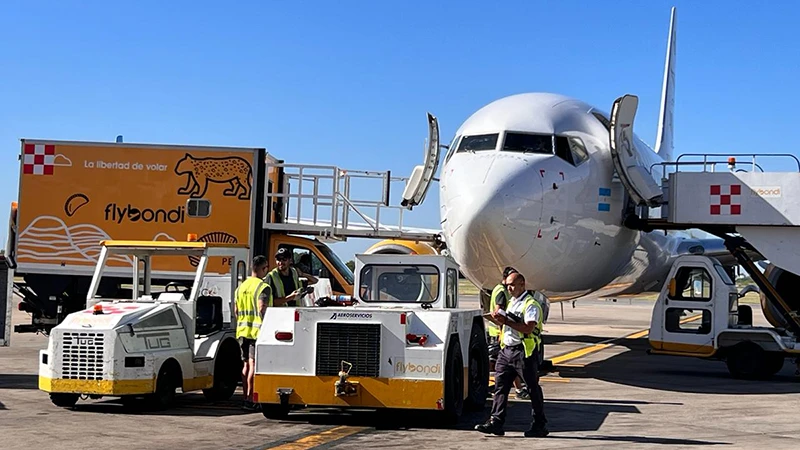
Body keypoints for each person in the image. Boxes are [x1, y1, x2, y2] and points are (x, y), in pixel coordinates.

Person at [476, 271, 548, 437]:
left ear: (522, 285)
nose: (509, 288)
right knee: (500, 387)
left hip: (523, 352)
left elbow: (529, 327)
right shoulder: (513, 302)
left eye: (512, 285)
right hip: (506, 351)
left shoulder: (530, 304)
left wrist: (506, 321)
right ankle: (496, 422)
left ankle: (539, 424)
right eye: (507, 284)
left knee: (532, 389)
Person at [232, 255, 271, 411]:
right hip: (257, 331)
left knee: (246, 364)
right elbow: (262, 308)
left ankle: (245, 398)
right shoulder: (263, 287)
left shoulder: (241, 287)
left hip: (242, 330)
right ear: (263, 269)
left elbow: (236, 310)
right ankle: (252, 398)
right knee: (254, 364)